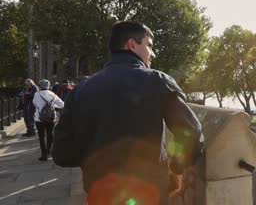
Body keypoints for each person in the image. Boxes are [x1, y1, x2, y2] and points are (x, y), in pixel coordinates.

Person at [52, 21, 204, 205]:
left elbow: (61, 153)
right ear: (132, 44)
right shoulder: (159, 81)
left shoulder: (81, 89)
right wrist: (177, 169)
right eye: (149, 45)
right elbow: (192, 132)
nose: (152, 53)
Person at [32, 79, 64, 161]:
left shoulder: (37, 94)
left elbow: (34, 103)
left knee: (41, 137)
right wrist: (53, 106)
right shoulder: (53, 94)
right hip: (51, 118)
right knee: (50, 134)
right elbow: (62, 105)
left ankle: (44, 155)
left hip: (39, 119)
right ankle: (49, 150)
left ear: (40, 86)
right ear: (49, 86)